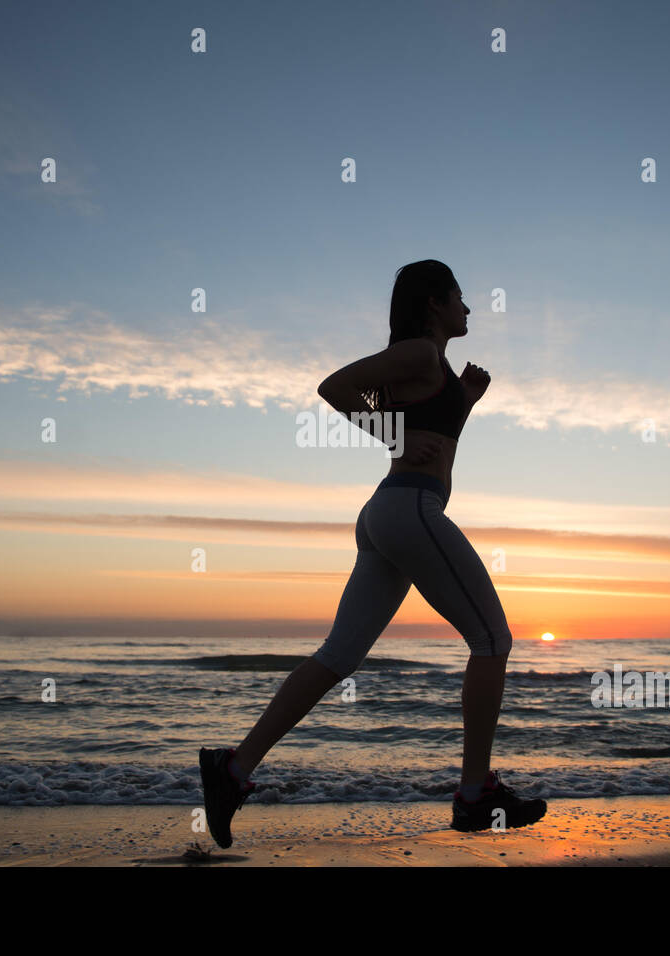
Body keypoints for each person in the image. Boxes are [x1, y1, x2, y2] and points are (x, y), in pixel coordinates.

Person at [199, 260, 546, 847]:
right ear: (435, 303)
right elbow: (334, 388)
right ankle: (473, 794)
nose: (469, 309)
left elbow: (431, 436)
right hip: (409, 511)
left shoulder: (432, 368)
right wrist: (392, 434)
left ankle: (233, 770)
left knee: (338, 656)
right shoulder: (417, 352)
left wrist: (464, 400)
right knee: (493, 641)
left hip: (389, 516)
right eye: (461, 298)